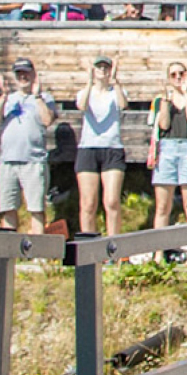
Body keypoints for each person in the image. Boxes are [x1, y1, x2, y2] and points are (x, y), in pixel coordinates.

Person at [0, 58, 55, 234]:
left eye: (26, 73)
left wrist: (37, 96)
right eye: (19, 73)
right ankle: (9, 251)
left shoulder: (44, 98)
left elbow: (47, 120)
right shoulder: (9, 99)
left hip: (33, 161)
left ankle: (37, 252)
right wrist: (3, 96)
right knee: (8, 207)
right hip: (8, 161)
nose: (23, 77)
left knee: (36, 208)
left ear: (33, 74)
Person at [146, 60, 187, 238]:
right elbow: (164, 125)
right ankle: (159, 253)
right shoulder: (160, 100)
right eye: (173, 74)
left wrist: (186, 95)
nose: (178, 77)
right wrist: (166, 100)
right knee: (163, 207)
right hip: (167, 149)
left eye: (182, 73)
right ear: (168, 78)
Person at [73, 56, 128, 238]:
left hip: (112, 148)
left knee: (111, 201)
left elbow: (123, 105)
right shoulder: (84, 93)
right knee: (88, 202)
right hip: (88, 148)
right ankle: (88, 246)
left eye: (106, 67)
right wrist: (90, 82)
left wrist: (116, 82)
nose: (103, 71)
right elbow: (82, 106)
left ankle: (113, 244)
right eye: (99, 68)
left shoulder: (116, 92)